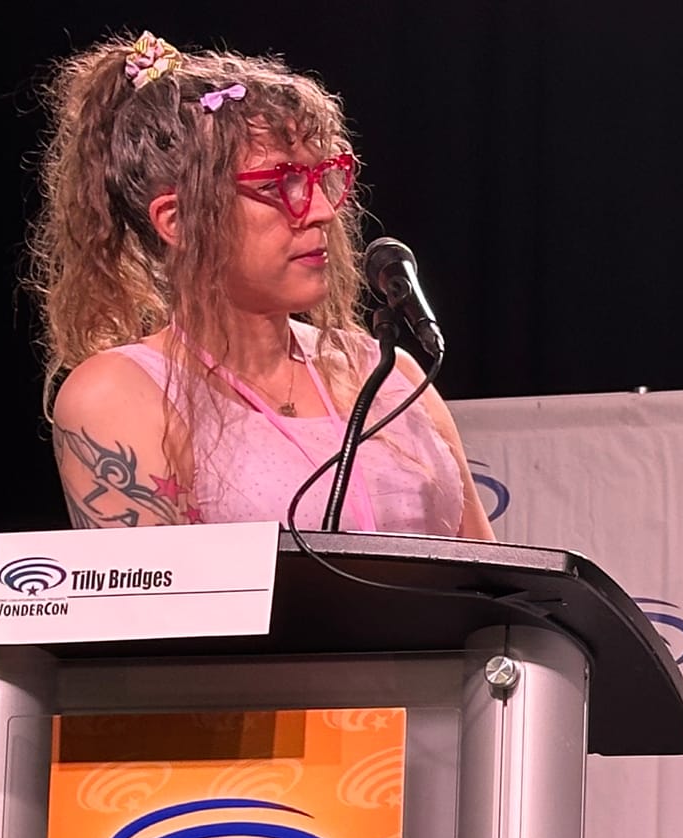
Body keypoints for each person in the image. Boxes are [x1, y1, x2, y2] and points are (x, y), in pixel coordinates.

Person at [28, 32, 495, 539]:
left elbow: (496, 586)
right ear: (177, 219)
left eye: (323, 178)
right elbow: (156, 609)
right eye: (277, 185)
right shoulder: (120, 392)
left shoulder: (388, 373)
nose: (319, 212)